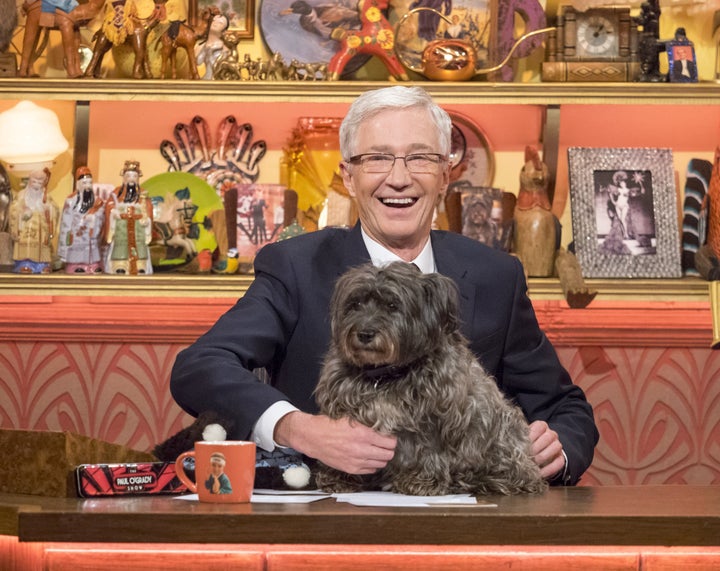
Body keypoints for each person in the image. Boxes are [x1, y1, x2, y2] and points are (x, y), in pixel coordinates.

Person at [171, 86, 598, 486]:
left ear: (446, 175)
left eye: (420, 158)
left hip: (460, 523)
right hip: (327, 518)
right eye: (377, 158)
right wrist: (297, 428)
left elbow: (567, 409)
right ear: (349, 177)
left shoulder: (495, 274)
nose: (399, 178)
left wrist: (558, 449)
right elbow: (201, 366)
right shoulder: (297, 266)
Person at [8, 168, 59, 274]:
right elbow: (13, 210)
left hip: (41, 231)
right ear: (29, 182)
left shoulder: (46, 197)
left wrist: (48, 208)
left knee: (43, 247)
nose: (36, 185)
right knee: (26, 247)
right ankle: (24, 264)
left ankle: (42, 265)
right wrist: (22, 212)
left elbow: (54, 210)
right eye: (34, 182)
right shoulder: (22, 196)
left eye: (39, 183)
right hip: (26, 232)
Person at [57, 166, 106, 274]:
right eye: (84, 183)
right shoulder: (71, 201)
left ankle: (92, 264)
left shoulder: (97, 200)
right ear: (78, 184)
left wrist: (94, 217)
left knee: (93, 250)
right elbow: (66, 222)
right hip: (77, 235)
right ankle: (76, 264)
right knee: (77, 249)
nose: (88, 186)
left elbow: (102, 214)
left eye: (89, 183)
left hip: (92, 235)